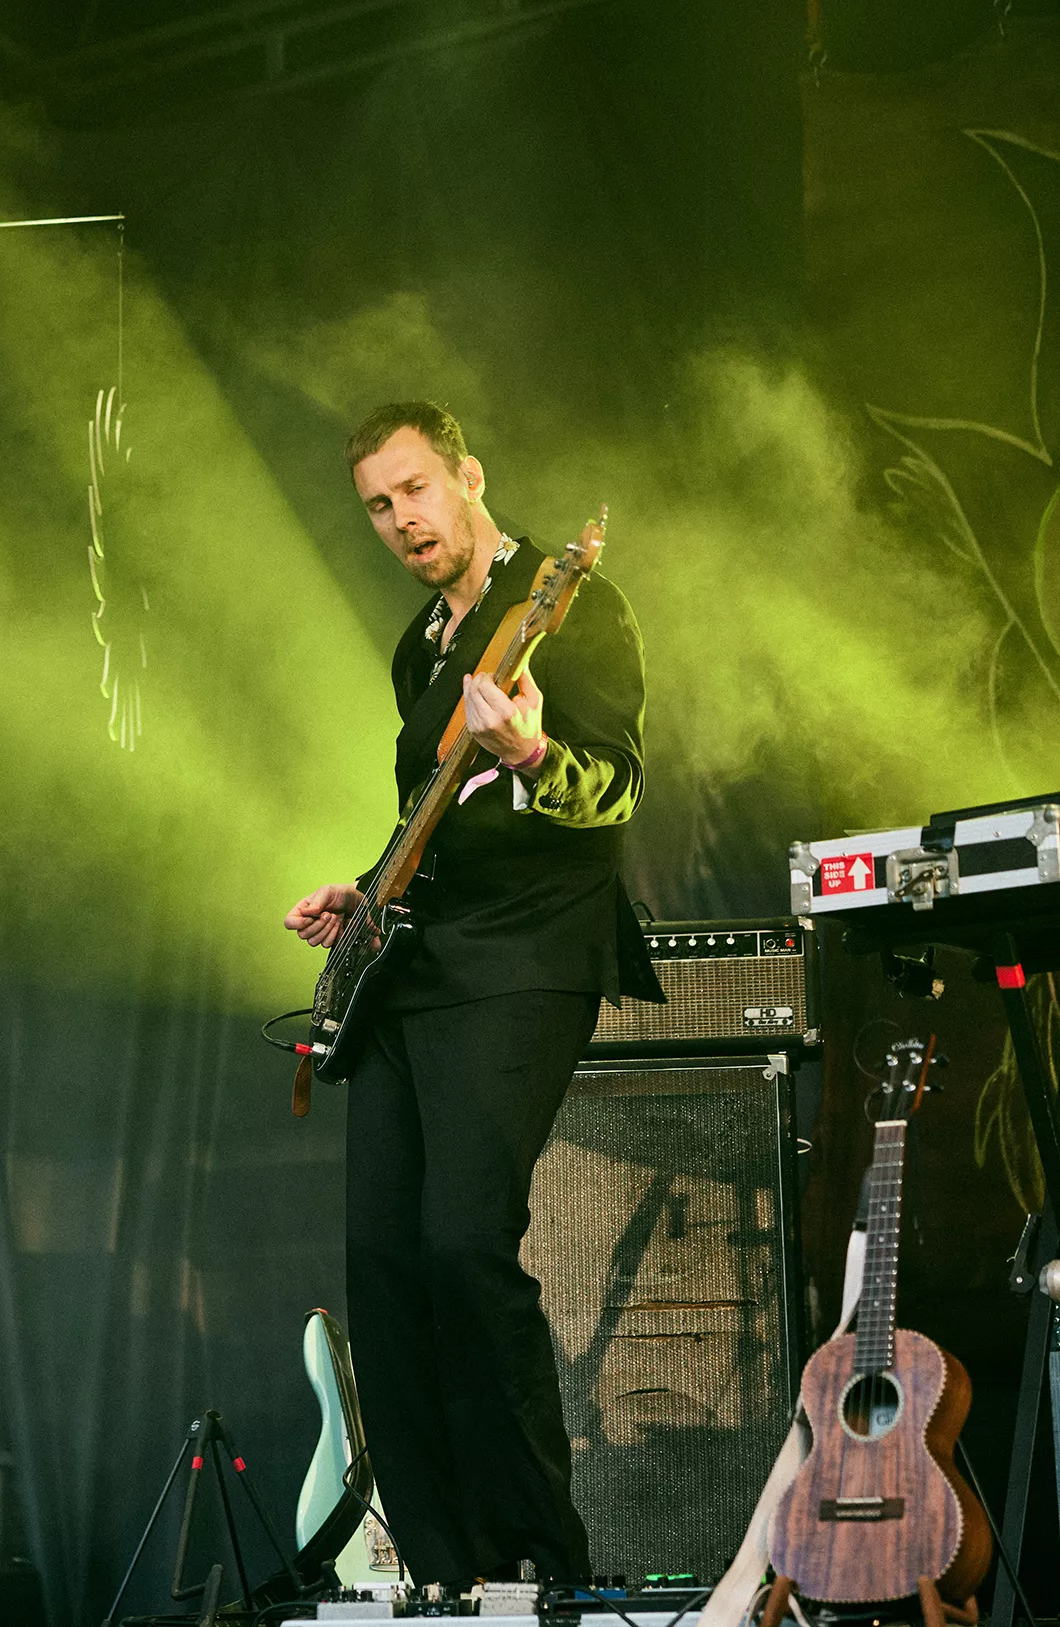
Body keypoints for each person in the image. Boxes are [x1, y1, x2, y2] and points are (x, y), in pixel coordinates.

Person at [283, 401, 660, 1589]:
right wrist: (365, 892)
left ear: (468, 475)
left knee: (461, 1241)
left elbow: (614, 790)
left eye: (414, 488)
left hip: (526, 955)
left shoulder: (571, 602)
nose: (400, 518)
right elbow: (430, 812)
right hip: (417, 962)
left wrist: (535, 756)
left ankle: (534, 1561)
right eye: (377, 505)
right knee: (383, 1260)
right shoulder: (422, 644)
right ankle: (437, 1567)